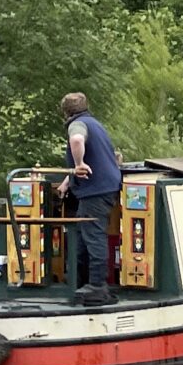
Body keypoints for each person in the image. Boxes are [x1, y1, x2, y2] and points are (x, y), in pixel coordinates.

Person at [60, 92, 122, 304]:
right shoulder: (95, 124)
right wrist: (69, 179)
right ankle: (79, 281)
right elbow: (97, 157)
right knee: (83, 234)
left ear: (66, 112)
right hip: (104, 186)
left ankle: (97, 286)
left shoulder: (77, 125)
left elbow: (77, 140)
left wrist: (78, 165)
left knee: (93, 235)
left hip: (96, 190)